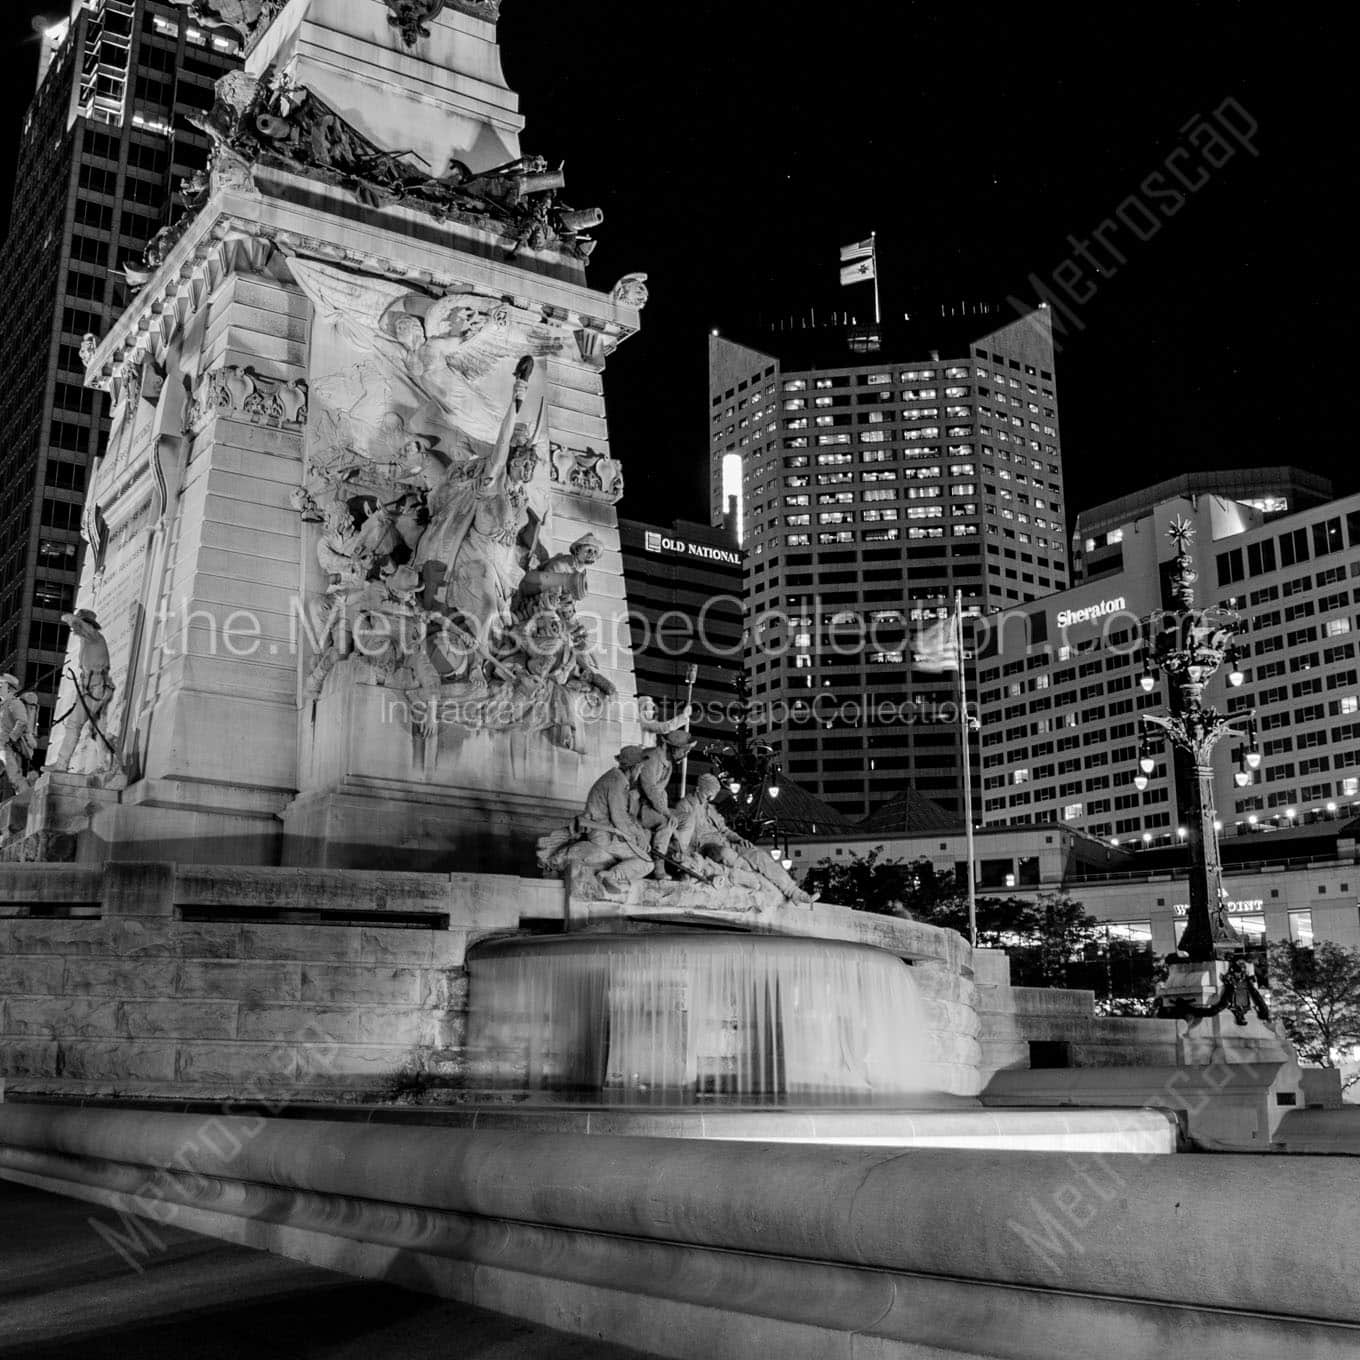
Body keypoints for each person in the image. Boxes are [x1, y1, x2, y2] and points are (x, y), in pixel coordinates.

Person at [674, 773, 816, 905]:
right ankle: (760, 888)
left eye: (713, 795)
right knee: (729, 856)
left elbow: (724, 830)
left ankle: (794, 892)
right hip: (705, 847)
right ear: (699, 789)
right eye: (708, 794)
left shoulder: (710, 808)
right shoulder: (685, 806)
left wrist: (739, 839)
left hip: (725, 842)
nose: (711, 798)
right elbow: (682, 834)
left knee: (758, 855)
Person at [48, 610, 120, 776]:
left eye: (78, 625)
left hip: (96, 688)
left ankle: (61, 765)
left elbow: (81, 626)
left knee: (74, 724)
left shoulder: (93, 636)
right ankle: (105, 764)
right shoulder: (87, 641)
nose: (74, 629)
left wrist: (68, 618)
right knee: (99, 729)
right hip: (94, 688)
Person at [636, 729, 694, 875]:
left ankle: (678, 854)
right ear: (673, 748)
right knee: (666, 822)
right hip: (638, 807)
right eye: (683, 751)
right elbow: (651, 790)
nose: (685, 754)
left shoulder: (668, 763)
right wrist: (667, 813)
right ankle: (658, 863)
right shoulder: (651, 758)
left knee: (686, 819)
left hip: (653, 806)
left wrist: (668, 812)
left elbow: (661, 792)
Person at [0, 675, 35, 797]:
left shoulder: (14, 703)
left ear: (9, 688)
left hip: (7, 747)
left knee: (14, 776)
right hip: (1, 746)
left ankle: (26, 799)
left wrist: (11, 738)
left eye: (1, 686)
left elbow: (22, 722)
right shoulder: (3, 705)